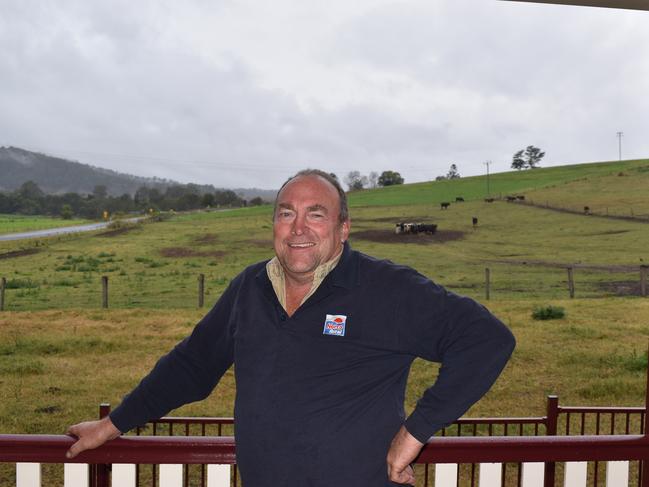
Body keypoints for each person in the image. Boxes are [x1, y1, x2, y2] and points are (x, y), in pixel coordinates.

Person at [66, 169, 515, 486]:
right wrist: (113, 425)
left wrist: (414, 433)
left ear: (343, 229)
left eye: (316, 214)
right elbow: (192, 365)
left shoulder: (387, 288)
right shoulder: (250, 287)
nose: (298, 228)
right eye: (286, 213)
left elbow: (487, 340)